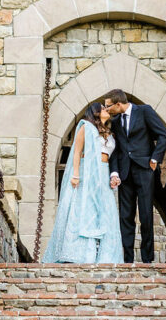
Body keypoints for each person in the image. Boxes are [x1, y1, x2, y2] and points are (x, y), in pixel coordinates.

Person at [42, 102, 123, 265]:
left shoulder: (110, 133)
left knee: (106, 211)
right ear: (95, 112)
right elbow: (77, 152)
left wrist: (114, 176)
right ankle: (82, 253)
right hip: (88, 172)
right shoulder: (85, 127)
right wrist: (76, 174)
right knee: (86, 209)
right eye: (102, 108)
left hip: (104, 172)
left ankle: (106, 256)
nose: (106, 110)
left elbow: (112, 157)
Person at [105, 89, 166, 264]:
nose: (107, 109)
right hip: (125, 173)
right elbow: (117, 149)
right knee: (125, 216)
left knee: (146, 215)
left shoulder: (145, 111)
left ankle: (147, 259)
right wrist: (115, 172)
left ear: (118, 104)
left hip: (144, 170)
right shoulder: (116, 121)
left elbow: (163, 135)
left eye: (108, 106)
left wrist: (155, 158)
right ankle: (127, 260)